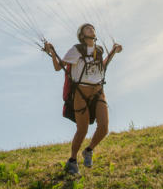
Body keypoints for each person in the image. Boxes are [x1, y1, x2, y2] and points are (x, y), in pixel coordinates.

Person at [44, 23, 123, 175]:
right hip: (80, 92)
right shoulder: (76, 50)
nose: (91, 28)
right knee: (82, 129)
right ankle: (72, 160)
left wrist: (113, 51)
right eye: (87, 28)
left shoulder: (98, 50)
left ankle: (88, 150)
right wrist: (52, 51)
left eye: (92, 27)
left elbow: (103, 65)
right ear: (82, 35)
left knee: (104, 127)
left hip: (98, 91)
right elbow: (57, 67)